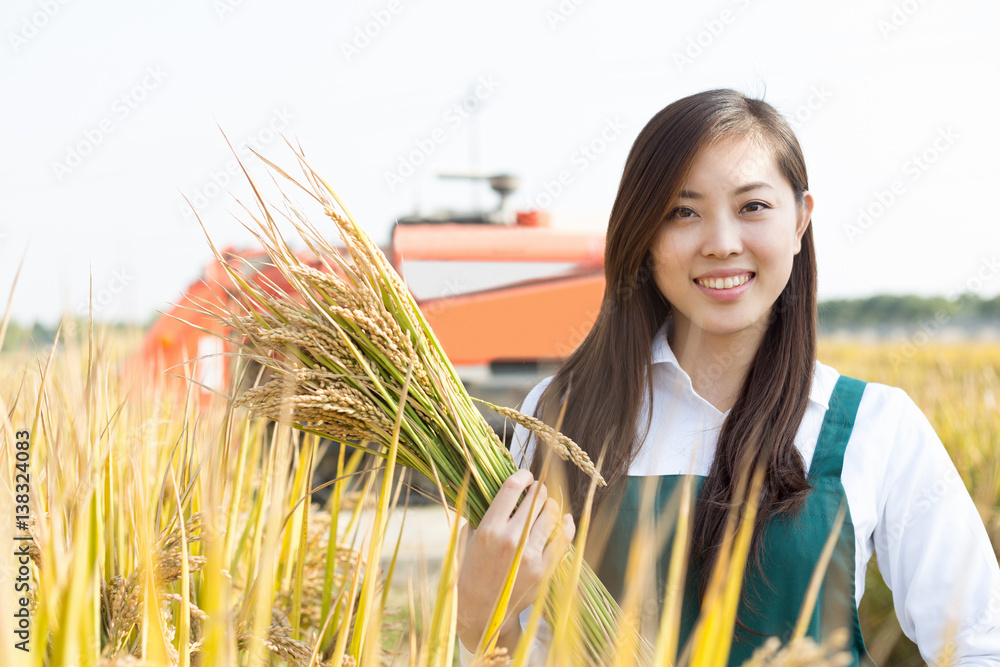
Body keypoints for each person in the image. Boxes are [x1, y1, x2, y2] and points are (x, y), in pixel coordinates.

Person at [455, 88, 1000, 665]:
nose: (721, 243)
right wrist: (475, 617)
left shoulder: (874, 426)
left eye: (753, 207)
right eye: (682, 212)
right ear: (644, 236)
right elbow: (511, 649)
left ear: (800, 222)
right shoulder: (559, 414)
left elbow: (980, 640)